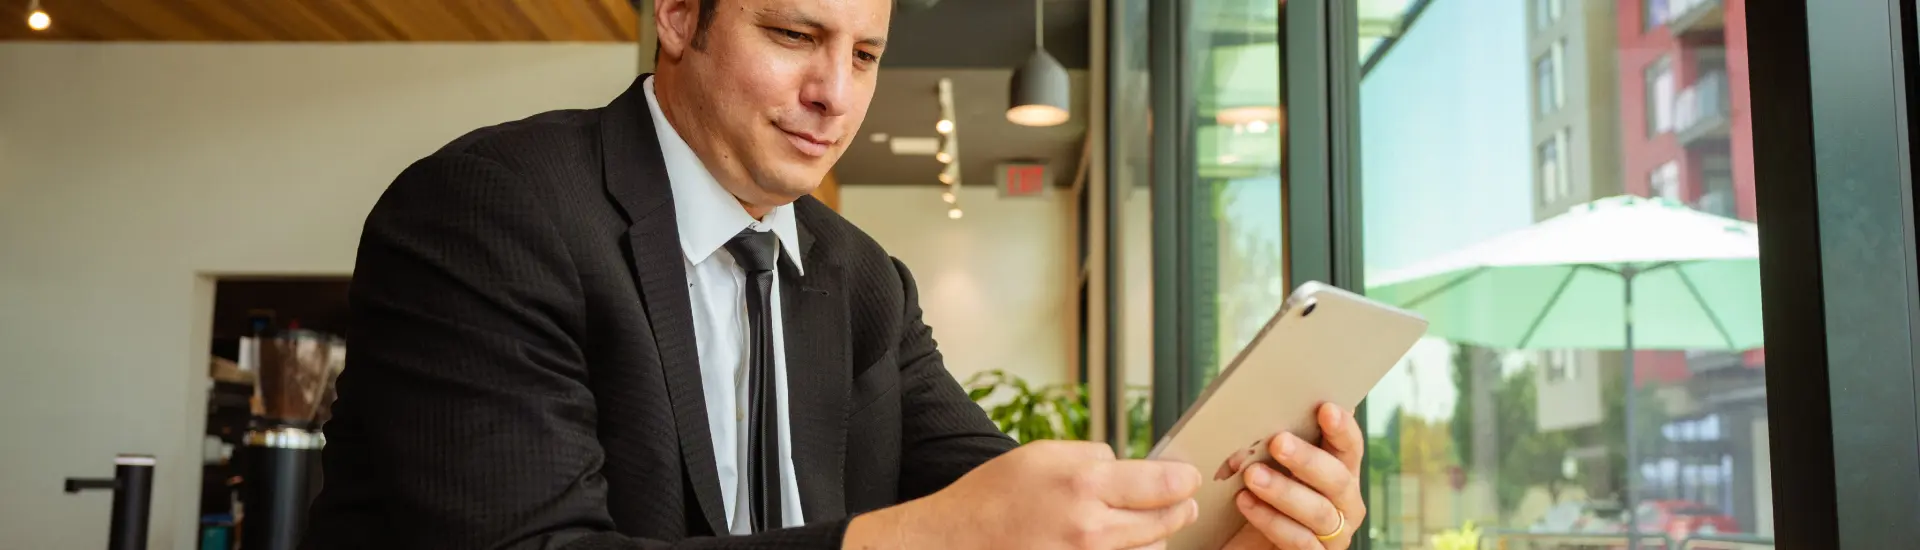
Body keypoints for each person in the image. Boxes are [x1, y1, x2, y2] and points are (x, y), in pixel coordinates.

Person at [302, 0, 1365, 548]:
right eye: (793, 34)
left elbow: (1008, 505)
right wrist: (921, 540)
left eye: (864, 54)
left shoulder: (863, 281)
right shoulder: (491, 211)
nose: (835, 95)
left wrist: (1221, 521)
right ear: (678, 15)